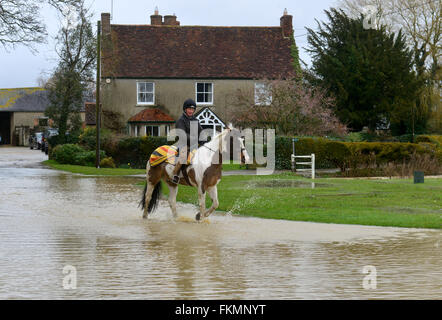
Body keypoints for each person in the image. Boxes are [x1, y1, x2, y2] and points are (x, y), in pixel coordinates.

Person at [171, 98, 204, 184]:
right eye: (189, 109)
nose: (191, 111)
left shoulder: (195, 120)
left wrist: (204, 140)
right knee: (184, 155)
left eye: (192, 109)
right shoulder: (180, 121)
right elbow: (182, 135)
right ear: (185, 109)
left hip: (194, 145)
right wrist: (195, 139)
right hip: (183, 145)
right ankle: (175, 174)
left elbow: (201, 132)